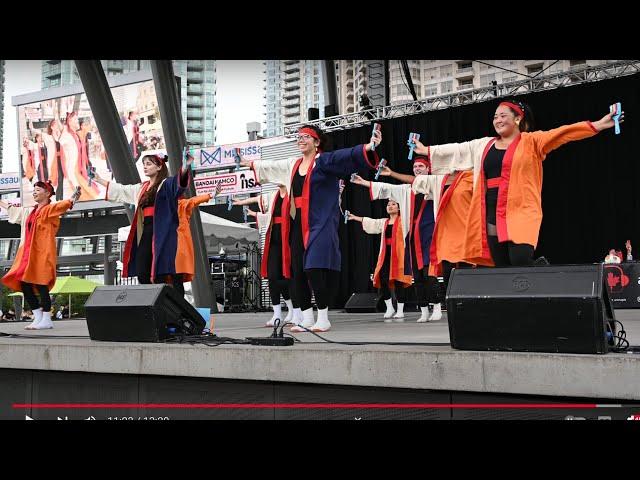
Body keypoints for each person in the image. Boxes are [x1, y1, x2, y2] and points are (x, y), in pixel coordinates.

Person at [413, 99, 624, 267]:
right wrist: (426, 150)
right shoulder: (483, 145)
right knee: (503, 267)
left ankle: (545, 275)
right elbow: (457, 150)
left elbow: (563, 133)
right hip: (491, 212)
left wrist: (596, 125)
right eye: (495, 116)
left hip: (521, 209)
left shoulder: (532, 141)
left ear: (517, 119)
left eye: (503, 115)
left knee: (520, 260)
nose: (498, 120)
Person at [242, 125, 381, 332]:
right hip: (297, 223)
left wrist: (369, 146)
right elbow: (272, 166)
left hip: (319, 221)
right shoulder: (293, 164)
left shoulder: (323, 161)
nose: (301, 140)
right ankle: (307, 317)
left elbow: (344, 156)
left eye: (306, 137)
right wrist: (251, 163)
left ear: (317, 142)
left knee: (314, 268)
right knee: (296, 271)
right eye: (299, 137)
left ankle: (323, 317)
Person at [351, 155, 440, 323]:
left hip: (430, 236)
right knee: (418, 277)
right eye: (415, 167)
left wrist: (392, 172)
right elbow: (387, 188)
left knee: (430, 274)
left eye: (421, 166)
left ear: (428, 169)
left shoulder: (435, 186)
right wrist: (364, 183)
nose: (417, 169)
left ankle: (436, 307)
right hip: (413, 237)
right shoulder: (407, 190)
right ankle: (423, 311)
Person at [92, 153, 191, 286]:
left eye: (149, 164)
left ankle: (164, 301)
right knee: (142, 270)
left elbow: (179, 183)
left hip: (163, 231)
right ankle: (150, 299)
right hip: (146, 230)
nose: (145, 167)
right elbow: (121, 190)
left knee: (162, 269)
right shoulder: (141, 188)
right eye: (144, 164)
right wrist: (98, 179)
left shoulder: (166, 184)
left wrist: (185, 166)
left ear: (159, 167)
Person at [0, 181, 81, 329]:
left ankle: (46, 318)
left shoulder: (49, 210)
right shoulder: (29, 212)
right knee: (24, 283)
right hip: (27, 253)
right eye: (34, 190)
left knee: (41, 282)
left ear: (47, 193)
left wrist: (72, 199)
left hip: (42, 253)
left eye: (38, 190)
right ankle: (38, 316)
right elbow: (12, 210)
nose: (34, 192)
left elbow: (61, 206)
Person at [238, 185, 296, 327]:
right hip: (274, 241)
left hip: (288, 240)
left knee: (286, 278)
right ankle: (277, 313)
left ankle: (293, 309)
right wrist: (240, 202)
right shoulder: (272, 195)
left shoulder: (292, 193)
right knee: (272, 276)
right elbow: (257, 198)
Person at [347, 200, 412, 322]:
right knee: (382, 279)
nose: (390, 206)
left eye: (393, 204)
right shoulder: (384, 222)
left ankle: (400, 310)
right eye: (388, 205)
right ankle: (389, 308)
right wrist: (355, 217)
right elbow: (370, 222)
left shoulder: (404, 221)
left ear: (399, 208)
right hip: (385, 254)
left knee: (398, 281)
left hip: (398, 256)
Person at [173, 184, 221, 298]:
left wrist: (211, 195)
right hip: (173, 246)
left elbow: (193, 201)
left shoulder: (180, 204)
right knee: (175, 279)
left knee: (175, 278)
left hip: (175, 246)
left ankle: (177, 306)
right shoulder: (171, 205)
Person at [59, 112, 98, 201]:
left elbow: (89, 127)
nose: (77, 121)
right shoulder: (66, 135)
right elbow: (61, 128)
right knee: (84, 194)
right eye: (75, 119)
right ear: (69, 122)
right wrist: (57, 116)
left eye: (77, 119)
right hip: (73, 170)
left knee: (87, 194)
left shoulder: (77, 134)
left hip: (80, 168)